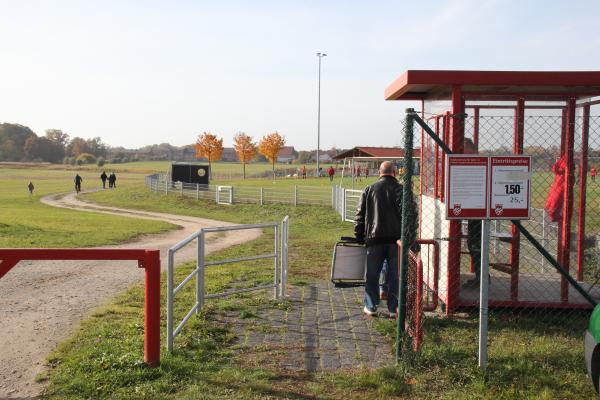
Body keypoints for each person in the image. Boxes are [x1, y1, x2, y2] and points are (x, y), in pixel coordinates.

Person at [354, 161, 404, 317]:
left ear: (379, 173)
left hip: (374, 239)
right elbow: (410, 215)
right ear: (395, 173)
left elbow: (360, 216)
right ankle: (393, 308)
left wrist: (360, 237)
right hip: (396, 240)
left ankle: (371, 305)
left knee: (372, 274)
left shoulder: (369, 190)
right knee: (395, 275)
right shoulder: (401, 190)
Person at [462, 138, 484, 288]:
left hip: (480, 211)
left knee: (476, 244)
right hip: (473, 210)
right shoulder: (469, 163)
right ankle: (480, 276)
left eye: (464, 150)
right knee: (473, 243)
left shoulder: (478, 163)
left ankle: (482, 278)